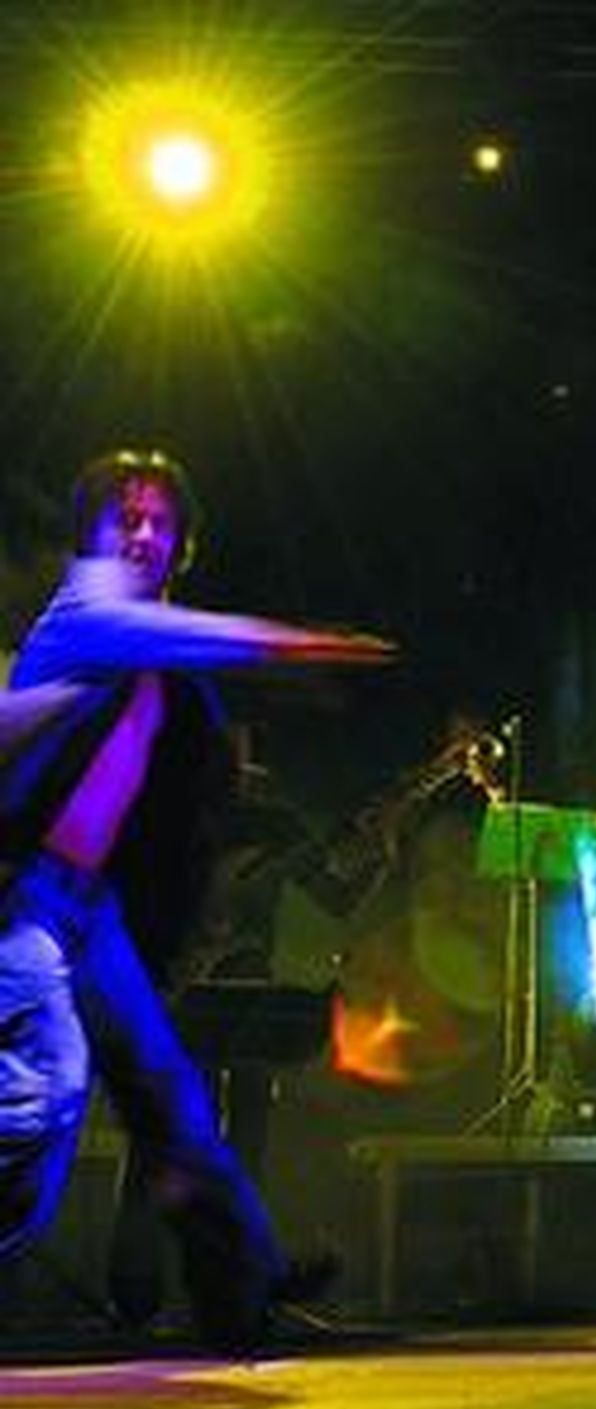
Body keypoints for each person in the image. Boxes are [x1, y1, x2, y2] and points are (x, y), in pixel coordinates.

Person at [0, 448, 389, 1354]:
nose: (140, 534)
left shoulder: (160, 655)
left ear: (181, 542)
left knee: (169, 1098)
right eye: (122, 518)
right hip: (18, 897)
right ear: (88, 535)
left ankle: (240, 1287)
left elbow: (194, 785)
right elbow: (192, 642)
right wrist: (294, 643)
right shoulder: (86, 610)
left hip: (82, 909)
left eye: (158, 522)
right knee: (44, 1093)